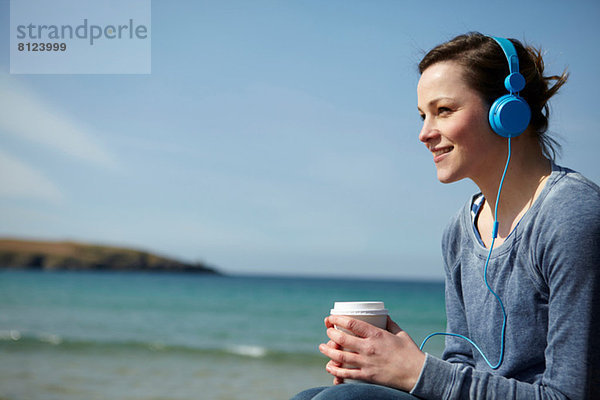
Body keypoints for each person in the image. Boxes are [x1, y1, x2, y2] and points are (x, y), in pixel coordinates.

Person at [291, 32, 600, 400]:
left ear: (507, 112)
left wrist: (416, 370)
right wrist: (388, 362)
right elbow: (462, 364)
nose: (424, 133)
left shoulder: (571, 215)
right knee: (311, 396)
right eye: (423, 115)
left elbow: (569, 395)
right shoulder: (459, 231)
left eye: (444, 111)